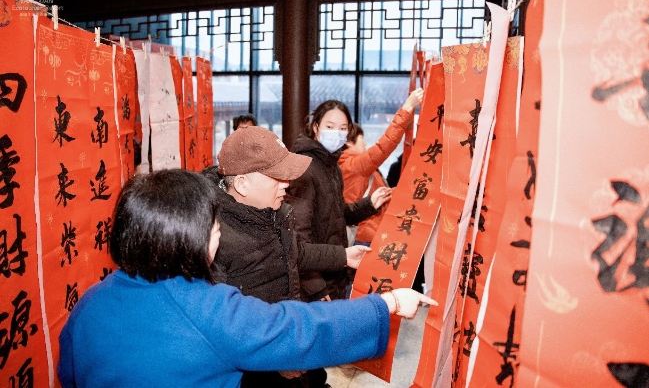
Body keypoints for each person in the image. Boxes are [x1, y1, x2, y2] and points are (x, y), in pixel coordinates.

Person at [57, 169, 436, 388]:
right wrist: (386, 304)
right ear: (185, 237)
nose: (219, 234)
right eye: (213, 227)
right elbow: (297, 329)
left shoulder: (91, 302)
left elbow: (69, 376)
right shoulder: (205, 308)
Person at [202, 126, 372, 387]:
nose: (287, 184)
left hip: (284, 333)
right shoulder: (214, 236)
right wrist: (276, 355)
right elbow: (225, 321)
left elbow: (294, 252)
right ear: (243, 184)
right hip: (251, 365)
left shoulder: (273, 212)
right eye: (277, 177)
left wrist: (344, 256)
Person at [289, 100, 392, 302]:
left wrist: (369, 204)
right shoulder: (305, 167)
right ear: (315, 127)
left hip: (334, 269)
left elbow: (337, 214)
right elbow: (297, 234)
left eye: (343, 128)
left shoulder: (332, 166)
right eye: (330, 127)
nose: (336, 133)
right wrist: (315, 286)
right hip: (315, 278)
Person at [339, 88, 423, 246]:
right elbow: (385, 145)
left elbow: (382, 195)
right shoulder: (354, 165)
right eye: (361, 138)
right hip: (365, 237)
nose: (364, 143)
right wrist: (407, 108)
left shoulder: (349, 166)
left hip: (367, 234)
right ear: (348, 142)